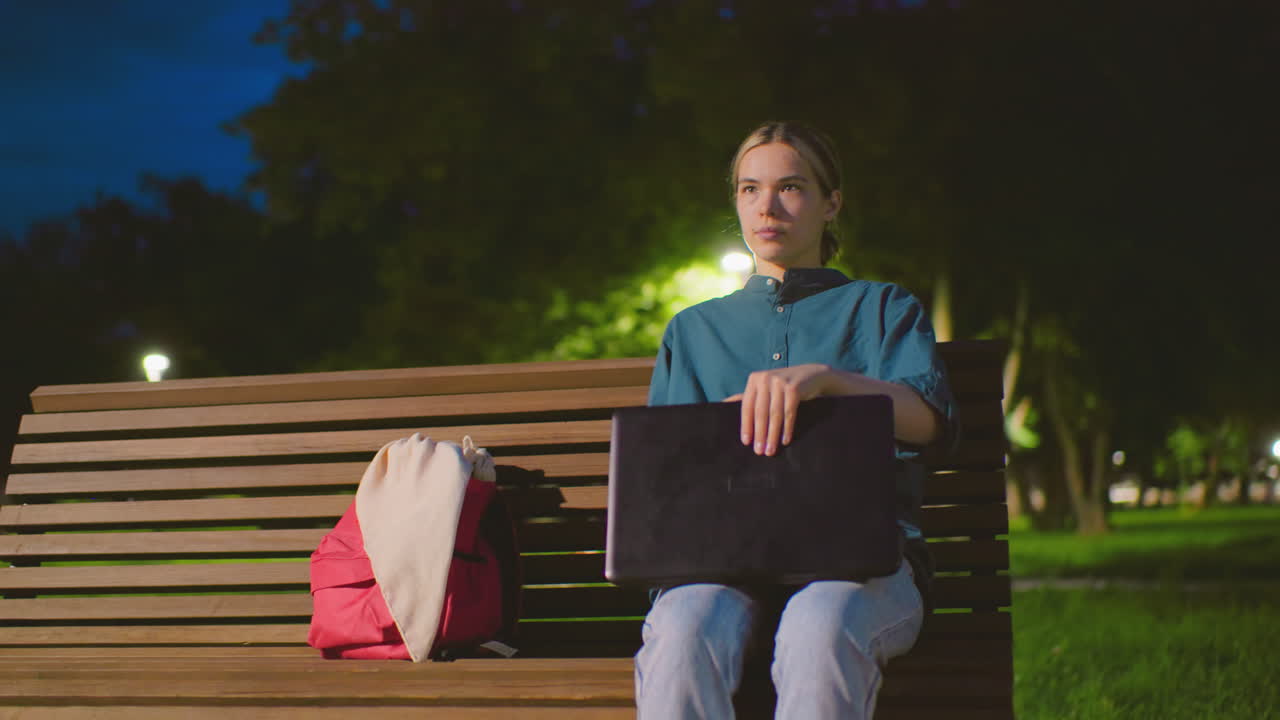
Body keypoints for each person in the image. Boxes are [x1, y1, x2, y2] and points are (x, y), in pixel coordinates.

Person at [634, 121, 956, 719]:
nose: (767, 206)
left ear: (832, 202)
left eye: (791, 187)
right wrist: (712, 432)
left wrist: (828, 381)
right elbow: (665, 479)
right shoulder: (693, 331)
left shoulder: (883, 308)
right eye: (749, 189)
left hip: (865, 563)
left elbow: (929, 422)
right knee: (680, 633)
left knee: (819, 627)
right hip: (723, 561)